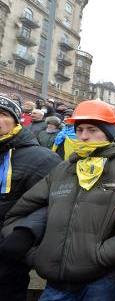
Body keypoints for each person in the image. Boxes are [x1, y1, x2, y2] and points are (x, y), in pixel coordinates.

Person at [3, 100, 115, 301]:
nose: (84, 136)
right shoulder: (63, 169)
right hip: (56, 283)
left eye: (92, 129)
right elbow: (18, 213)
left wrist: (102, 257)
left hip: (101, 281)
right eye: (80, 129)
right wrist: (38, 255)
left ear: (109, 132)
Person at [0, 96, 61, 301]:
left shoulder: (42, 158)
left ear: (17, 121)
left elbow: (51, 203)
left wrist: (23, 234)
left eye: (3, 115)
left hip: (7, 254)